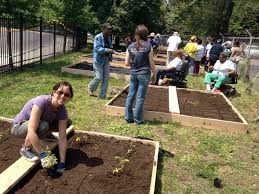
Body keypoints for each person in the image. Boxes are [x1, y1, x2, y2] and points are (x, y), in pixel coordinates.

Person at [11, 81, 73, 173]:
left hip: (39, 125)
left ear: (69, 97)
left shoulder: (62, 110)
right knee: (43, 126)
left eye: (66, 94)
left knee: (67, 122)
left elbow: (63, 137)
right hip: (18, 127)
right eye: (60, 92)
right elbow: (31, 131)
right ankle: (25, 148)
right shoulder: (41, 102)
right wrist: (43, 155)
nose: (63, 96)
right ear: (53, 92)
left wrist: (62, 162)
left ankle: (45, 135)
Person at [124, 25, 156, 124]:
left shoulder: (130, 46)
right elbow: (151, 63)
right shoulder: (148, 46)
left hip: (133, 73)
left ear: (136, 34)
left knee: (130, 95)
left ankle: (128, 118)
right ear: (145, 35)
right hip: (144, 74)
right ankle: (138, 119)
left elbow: (126, 63)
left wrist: (134, 63)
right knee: (140, 97)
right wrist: (154, 74)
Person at [88, 23, 114, 99]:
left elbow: (108, 46)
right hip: (98, 60)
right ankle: (91, 87)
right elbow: (97, 49)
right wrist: (107, 50)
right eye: (108, 29)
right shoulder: (98, 37)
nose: (110, 30)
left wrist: (110, 51)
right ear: (103, 29)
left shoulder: (109, 37)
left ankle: (102, 96)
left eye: (110, 29)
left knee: (106, 78)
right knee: (99, 77)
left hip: (106, 60)